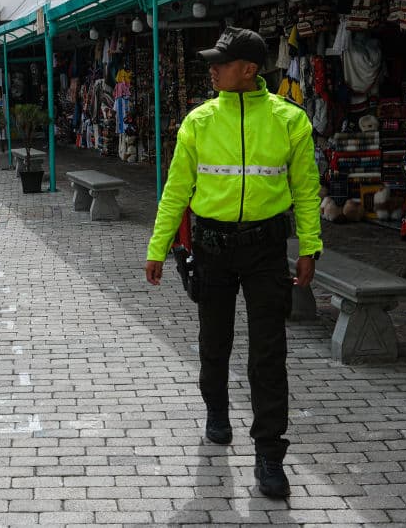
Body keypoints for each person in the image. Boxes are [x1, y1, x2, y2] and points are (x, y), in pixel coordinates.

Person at [144, 27, 322, 499]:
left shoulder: (290, 120)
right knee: (214, 341)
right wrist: (157, 246)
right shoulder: (198, 122)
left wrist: (310, 246)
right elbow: (176, 190)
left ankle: (269, 454)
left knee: (269, 352)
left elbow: (305, 189)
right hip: (213, 249)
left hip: (266, 249)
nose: (212, 70)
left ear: (248, 69)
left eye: (220, 63)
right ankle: (217, 411)